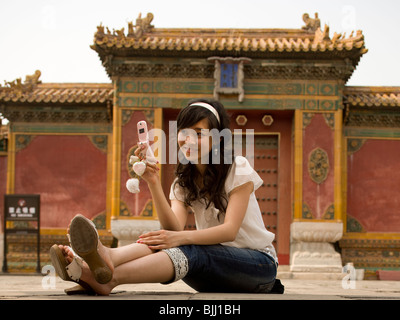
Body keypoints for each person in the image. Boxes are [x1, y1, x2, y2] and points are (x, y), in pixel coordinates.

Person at [50, 99, 282, 295]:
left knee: (185, 244)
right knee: (164, 238)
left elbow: (229, 231)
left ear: (218, 139)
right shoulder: (183, 181)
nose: (188, 140)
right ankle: (101, 265)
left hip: (258, 267)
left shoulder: (237, 168)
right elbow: (173, 227)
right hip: (208, 269)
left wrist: (179, 238)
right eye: (184, 132)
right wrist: (153, 182)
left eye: (199, 133)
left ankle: (108, 274)